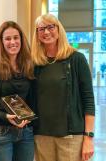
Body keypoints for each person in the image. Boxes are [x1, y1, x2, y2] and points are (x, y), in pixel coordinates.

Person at [31, 14, 95, 161]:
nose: (46, 32)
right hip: (42, 136)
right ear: (37, 34)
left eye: (50, 27)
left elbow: (88, 100)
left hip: (71, 137)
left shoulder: (76, 59)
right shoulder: (35, 63)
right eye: (41, 29)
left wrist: (88, 138)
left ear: (59, 30)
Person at [0, 21, 35, 161]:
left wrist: (27, 119)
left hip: (25, 132)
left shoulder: (28, 65)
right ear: (1, 42)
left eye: (16, 37)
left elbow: (31, 99)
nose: (12, 42)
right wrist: (5, 116)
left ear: (21, 39)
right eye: (8, 39)